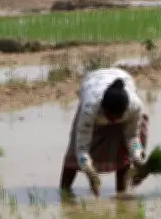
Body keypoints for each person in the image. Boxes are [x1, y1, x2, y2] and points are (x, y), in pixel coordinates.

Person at [60, 68, 150, 197]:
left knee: (121, 149)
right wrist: (90, 173)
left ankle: (121, 194)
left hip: (122, 77)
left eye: (117, 117)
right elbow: (82, 149)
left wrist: (138, 160)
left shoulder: (134, 107)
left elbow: (132, 137)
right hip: (92, 82)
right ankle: (64, 193)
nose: (113, 121)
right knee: (73, 154)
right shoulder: (90, 108)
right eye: (110, 116)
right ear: (103, 108)